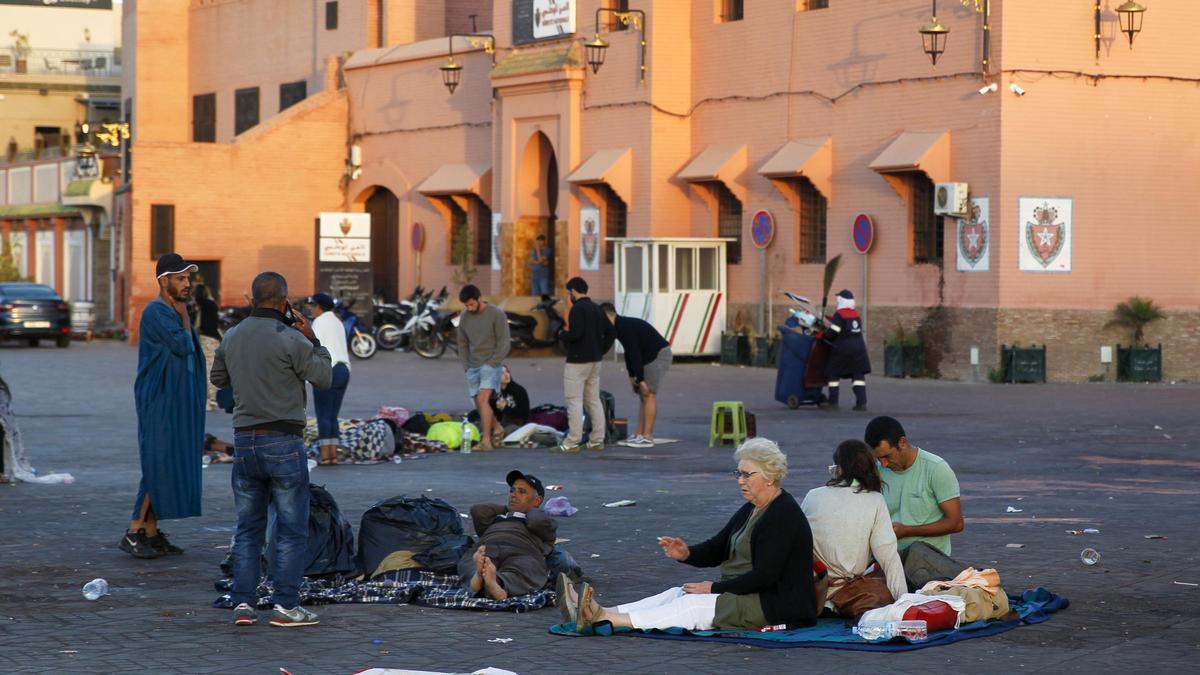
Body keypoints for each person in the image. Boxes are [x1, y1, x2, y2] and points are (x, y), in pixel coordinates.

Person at [561, 438, 817, 632]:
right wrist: (687, 553)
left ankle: (606, 620)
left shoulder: (783, 515)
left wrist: (714, 588)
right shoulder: (753, 507)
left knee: (693, 605)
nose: (740, 480)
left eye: (747, 474)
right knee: (677, 593)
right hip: (752, 594)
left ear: (770, 477)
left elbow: (765, 577)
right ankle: (601, 610)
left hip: (776, 606)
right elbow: (719, 546)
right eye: (738, 473)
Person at [211, 272, 332, 627]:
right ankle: (285, 606)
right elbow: (324, 377)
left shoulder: (232, 336)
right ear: (285, 303)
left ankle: (243, 605)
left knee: (248, 528)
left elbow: (219, 380)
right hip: (283, 440)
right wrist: (314, 338)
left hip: (245, 442)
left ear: (252, 300)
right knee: (291, 528)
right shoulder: (291, 338)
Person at [120, 253, 206, 560]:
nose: (187, 284)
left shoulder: (172, 309)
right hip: (159, 399)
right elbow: (183, 346)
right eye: (181, 278)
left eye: (188, 278)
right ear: (164, 280)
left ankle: (152, 534)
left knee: (167, 461)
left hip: (175, 399)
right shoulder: (158, 311)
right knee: (158, 461)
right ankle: (133, 532)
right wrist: (184, 314)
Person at [801, 440, 907, 615]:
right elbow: (888, 557)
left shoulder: (813, 495)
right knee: (883, 585)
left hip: (810, 589)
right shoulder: (875, 499)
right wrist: (903, 602)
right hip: (847, 592)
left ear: (839, 468)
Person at [864, 416, 967, 590]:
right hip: (888, 560)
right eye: (878, 458)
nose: (884, 463)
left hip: (927, 566)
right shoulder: (877, 470)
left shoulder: (935, 468)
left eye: (887, 456)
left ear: (902, 443)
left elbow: (956, 523)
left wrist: (907, 531)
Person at [457, 470, 557, 600]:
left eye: (522, 492)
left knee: (526, 568)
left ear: (537, 500)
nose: (513, 495)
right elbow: (478, 510)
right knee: (470, 561)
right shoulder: (500, 516)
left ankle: (495, 583)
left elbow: (536, 521)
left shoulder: (541, 520)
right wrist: (508, 511)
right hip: (489, 545)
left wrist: (530, 510)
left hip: (521, 550)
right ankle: (477, 577)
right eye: (512, 490)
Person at [600, 303, 671, 448]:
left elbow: (635, 353)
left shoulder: (624, 326)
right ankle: (639, 434)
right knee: (642, 395)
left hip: (657, 355)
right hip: (646, 356)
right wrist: (632, 376)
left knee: (648, 394)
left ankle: (647, 436)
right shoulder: (619, 327)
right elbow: (629, 353)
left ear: (608, 316)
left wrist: (640, 379)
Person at [556, 277, 615, 453]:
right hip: (595, 361)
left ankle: (572, 442)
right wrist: (601, 350)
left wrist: (562, 335)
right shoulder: (597, 309)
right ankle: (597, 439)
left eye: (569, 293)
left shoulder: (577, 309)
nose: (569, 296)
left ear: (574, 291)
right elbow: (611, 331)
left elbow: (576, 334)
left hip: (577, 361)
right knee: (593, 400)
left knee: (574, 400)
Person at [456, 284, 511, 452]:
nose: (469, 308)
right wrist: (466, 365)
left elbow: (504, 342)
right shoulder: (464, 317)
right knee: (478, 402)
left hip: (491, 364)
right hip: (472, 364)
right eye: (466, 306)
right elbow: (462, 343)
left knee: (482, 399)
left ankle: (486, 440)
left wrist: (494, 362)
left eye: (472, 304)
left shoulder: (496, 314)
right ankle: (498, 427)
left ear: (479, 298)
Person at [305, 293, 351, 465]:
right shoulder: (337, 322)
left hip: (327, 370)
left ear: (319, 307)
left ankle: (325, 456)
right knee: (332, 415)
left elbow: (312, 348)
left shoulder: (319, 322)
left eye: (312, 305)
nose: (310, 308)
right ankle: (333, 455)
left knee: (323, 414)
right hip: (343, 370)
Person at [824, 289, 871, 411]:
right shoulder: (856, 314)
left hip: (844, 349)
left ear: (841, 301)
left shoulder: (840, 314)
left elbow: (833, 332)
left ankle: (833, 402)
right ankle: (861, 403)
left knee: (832, 372)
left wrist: (825, 333)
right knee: (858, 376)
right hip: (859, 349)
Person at [192, 283, 222, 411]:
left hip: (209, 340)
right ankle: (209, 399)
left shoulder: (207, 305)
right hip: (206, 339)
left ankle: (212, 400)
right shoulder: (206, 305)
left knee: (209, 369)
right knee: (206, 369)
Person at [490, 364, 530, 438]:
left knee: (504, 433)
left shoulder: (518, 390)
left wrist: (505, 408)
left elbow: (523, 414)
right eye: (502, 373)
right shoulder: (494, 391)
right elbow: (493, 412)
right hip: (502, 423)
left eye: (507, 372)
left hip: (517, 424)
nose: (506, 375)